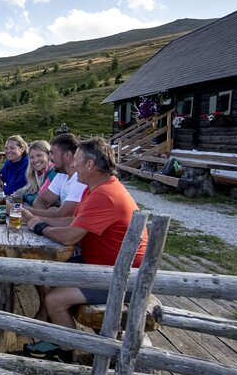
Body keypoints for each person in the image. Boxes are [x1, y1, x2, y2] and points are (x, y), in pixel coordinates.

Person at [22, 137, 148, 363]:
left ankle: (65, 353)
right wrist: (35, 219)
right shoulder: (98, 188)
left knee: (54, 300)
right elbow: (73, 220)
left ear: (90, 165)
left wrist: (38, 226)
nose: (73, 165)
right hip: (103, 267)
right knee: (50, 274)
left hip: (122, 278)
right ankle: (64, 338)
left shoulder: (104, 195)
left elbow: (70, 234)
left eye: (77, 161)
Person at [22, 134, 86, 219]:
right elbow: (40, 200)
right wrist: (48, 215)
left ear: (67, 155)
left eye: (52, 153)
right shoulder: (62, 174)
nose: (49, 157)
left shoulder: (81, 180)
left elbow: (64, 215)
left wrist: (18, 209)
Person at [13, 140, 57, 206]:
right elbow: (27, 189)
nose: (35, 160)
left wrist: (24, 196)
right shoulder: (37, 173)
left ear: (49, 155)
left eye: (39, 155)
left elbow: (37, 200)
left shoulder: (54, 172)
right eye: (32, 157)